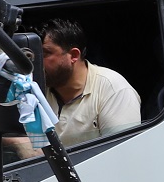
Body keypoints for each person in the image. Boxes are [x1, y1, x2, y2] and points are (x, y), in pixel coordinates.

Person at [38, 18, 142, 147]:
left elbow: (121, 152)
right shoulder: (35, 88)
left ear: (74, 55)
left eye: (44, 54)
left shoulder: (113, 89)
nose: (36, 62)